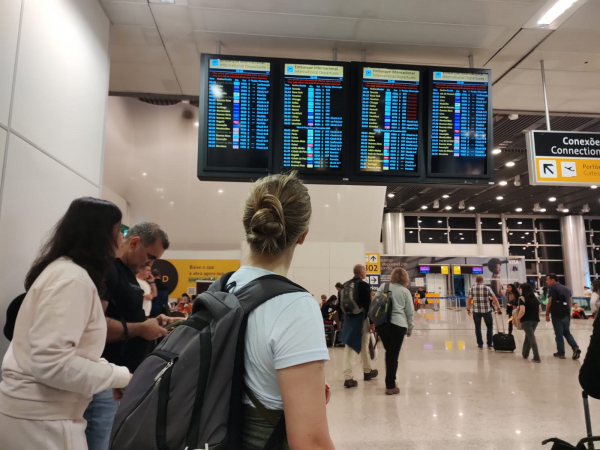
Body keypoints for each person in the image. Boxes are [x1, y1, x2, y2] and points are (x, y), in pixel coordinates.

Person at [0, 198, 131, 450]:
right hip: (43, 422)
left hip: (38, 416)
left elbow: (62, 354)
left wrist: (115, 377)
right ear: (101, 233)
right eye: (120, 230)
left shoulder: (62, 271)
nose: (122, 239)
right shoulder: (73, 280)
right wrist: (120, 376)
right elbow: (52, 364)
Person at [225, 172, 334, 449]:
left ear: (247, 224)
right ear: (302, 236)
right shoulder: (295, 306)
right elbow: (311, 443)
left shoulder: (222, 288)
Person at [84, 222, 173, 450]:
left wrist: (151, 322)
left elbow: (126, 318)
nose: (150, 265)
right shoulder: (109, 272)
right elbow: (94, 327)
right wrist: (142, 329)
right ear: (134, 242)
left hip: (119, 380)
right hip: (103, 383)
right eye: (150, 257)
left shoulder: (130, 277)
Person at [376, 268, 414, 395]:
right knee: (393, 355)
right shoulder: (405, 292)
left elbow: (375, 304)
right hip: (398, 325)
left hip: (382, 325)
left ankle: (390, 381)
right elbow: (409, 312)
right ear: (405, 278)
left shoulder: (383, 287)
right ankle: (390, 385)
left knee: (389, 353)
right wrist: (410, 328)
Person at [340, 264, 378, 388]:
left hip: (349, 319)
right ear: (361, 273)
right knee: (364, 345)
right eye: (365, 271)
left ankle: (349, 376)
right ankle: (366, 372)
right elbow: (369, 306)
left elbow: (340, 306)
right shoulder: (363, 285)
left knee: (349, 347)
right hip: (362, 318)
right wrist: (372, 323)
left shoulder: (345, 285)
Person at [546, 274, 581, 360]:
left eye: (547, 280)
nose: (547, 282)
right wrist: (568, 312)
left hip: (557, 314)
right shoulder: (567, 289)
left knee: (558, 334)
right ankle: (575, 347)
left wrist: (547, 313)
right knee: (566, 332)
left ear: (553, 280)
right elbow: (570, 301)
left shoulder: (552, 288)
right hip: (566, 313)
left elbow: (550, 301)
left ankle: (561, 353)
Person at [466, 275, 502, 349]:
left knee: (477, 327)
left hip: (476, 311)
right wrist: (498, 308)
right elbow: (494, 299)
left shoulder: (472, 289)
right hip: (487, 311)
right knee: (489, 327)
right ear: (482, 280)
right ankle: (489, 343)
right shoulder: (487, 288)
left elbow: (469, 300)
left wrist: (468, 309)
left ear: (476, 280)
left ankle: (480, 343)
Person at [515, 283, 541, 363]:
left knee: (531, 338)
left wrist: (518, 318)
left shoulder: (522, 298)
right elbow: (539, 310)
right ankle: (525, 353)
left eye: (520, 288)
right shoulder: (535, 298)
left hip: (526, 320)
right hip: (535, 320)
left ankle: (536, 357)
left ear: (524, 289)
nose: (519, 290)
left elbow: (522, 311)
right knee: (529, 336)